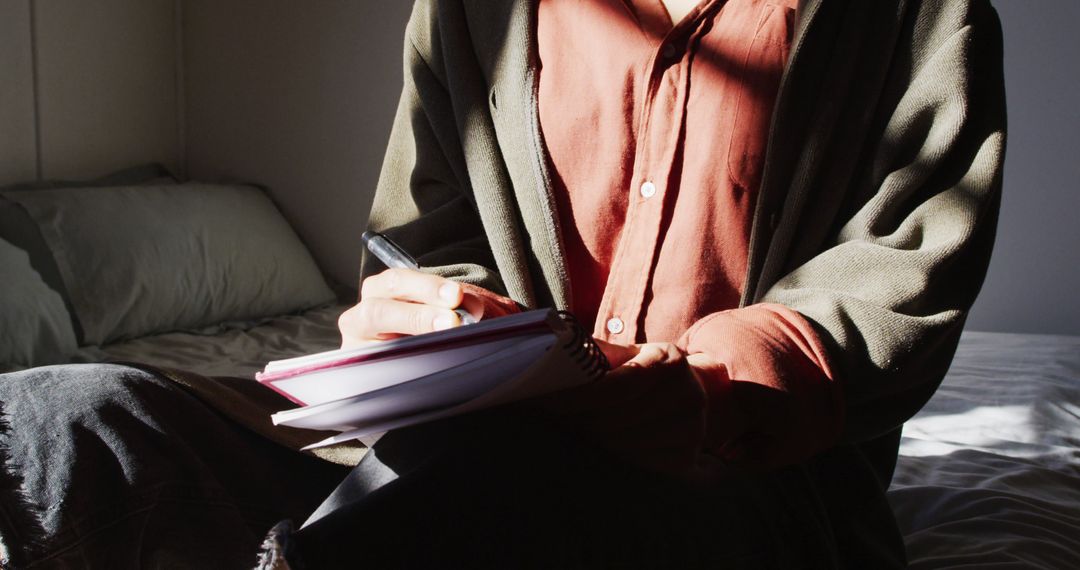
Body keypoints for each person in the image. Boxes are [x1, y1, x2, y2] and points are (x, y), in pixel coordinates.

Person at [0, 0, 1005, 567]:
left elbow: (901, 277)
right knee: (62, 415)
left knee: (501, 490)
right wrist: (426, 315)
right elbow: (426, 238)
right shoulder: (472, 12)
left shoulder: (918, 21)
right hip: (442, 448)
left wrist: (705, 386)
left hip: (732, 484)